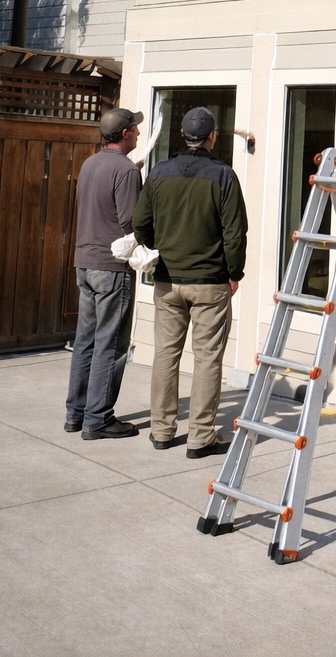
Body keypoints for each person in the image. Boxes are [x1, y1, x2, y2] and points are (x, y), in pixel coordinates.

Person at [132, 105, 248, 458]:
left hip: (167, 279)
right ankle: (200, 435)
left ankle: (162, 430)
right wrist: (234, 272)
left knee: (166, 355)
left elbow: (140, 225)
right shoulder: (224, 175)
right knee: (207, 359)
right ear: (211, 137)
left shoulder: (159, 173)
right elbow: (235, 232)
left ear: (183, 135)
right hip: (210, 282)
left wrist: (158, 249)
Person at [64, 105, 143, 440]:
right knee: (110, 344)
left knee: (85, 341)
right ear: (124, 134)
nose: (139, 132)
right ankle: (98, 419)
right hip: (111, 268)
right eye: (135, 129)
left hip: (84, 263)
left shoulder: (90, 163)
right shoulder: (125, 171)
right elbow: (129, 222)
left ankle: (75, 414)